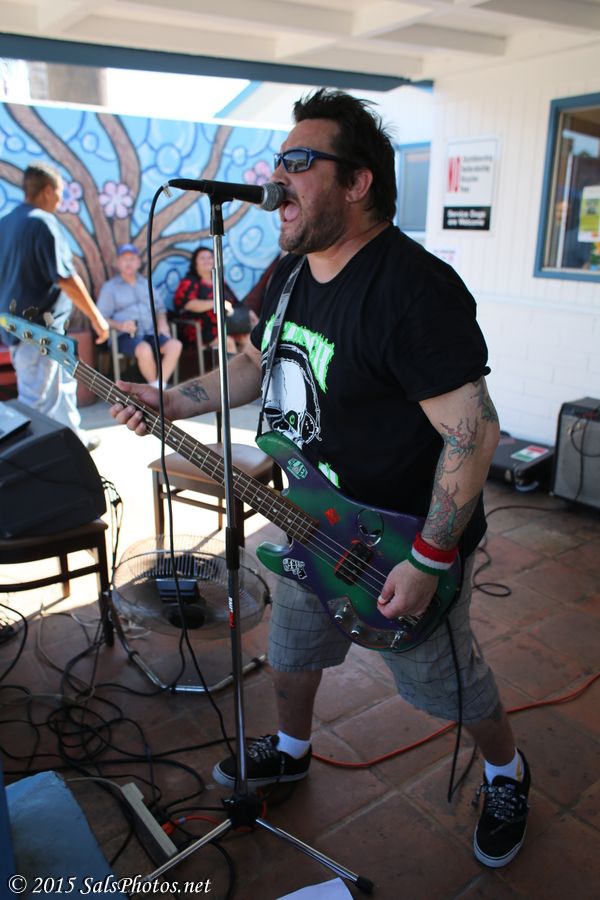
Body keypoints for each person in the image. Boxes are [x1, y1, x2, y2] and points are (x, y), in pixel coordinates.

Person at [110, 88, 530, 870]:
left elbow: (473, 433)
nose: (277, 178)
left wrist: (430, 558)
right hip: (310, 522)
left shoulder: (413, 289)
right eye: (278, 161)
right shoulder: (290, 271)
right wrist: (172, 399)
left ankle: (507, 771)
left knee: (444, 684)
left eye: (299, 162)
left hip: (401, 545)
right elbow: (252, 360)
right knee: (294, 655)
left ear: (358, 182)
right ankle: (293, 750)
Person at [0, 162, 109, 450]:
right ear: (48, 190)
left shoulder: (6, 223)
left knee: (62, 387)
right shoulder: (42, 222)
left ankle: (75, 439)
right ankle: (28, 459)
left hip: (27, 328)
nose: (61, 199)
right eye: (61, 192)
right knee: (36, 402)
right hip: (37, 331)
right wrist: (96, 317)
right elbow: (66, 279)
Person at [97, 244, 182, 388]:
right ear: (118, 263)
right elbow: (101, 317)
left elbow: (160, 308)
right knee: (144, 349)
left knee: (175, 345)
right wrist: (120, 326)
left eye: (132, 259)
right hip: (124, 336)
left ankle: (158, 386)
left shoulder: (146, 284)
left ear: (138, 262)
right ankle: (155, 390)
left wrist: (162, 323)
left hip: (150, 332)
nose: (128, 262)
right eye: (124, 259)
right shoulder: (110, 288)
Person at [172, 245, 251, 355]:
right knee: (228, 342)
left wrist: (250, 315)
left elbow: (236, 303)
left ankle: (247, 366)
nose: (207, 261)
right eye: (202, 258)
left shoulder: (220, 281)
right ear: (195, 263)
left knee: (248, 340)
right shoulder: (190, 281)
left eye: (210, 257)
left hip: (226, 325)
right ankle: (233, 367)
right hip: (201, 329)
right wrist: (217, 303)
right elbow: (189, 304)